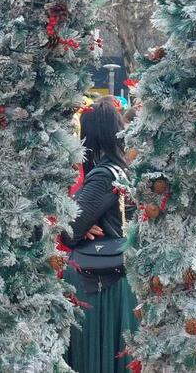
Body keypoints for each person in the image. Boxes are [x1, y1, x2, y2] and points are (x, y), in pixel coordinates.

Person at [61, 98, 137, 373]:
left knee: (93, 353)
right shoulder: (121, 170)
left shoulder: (102, 175)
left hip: (96, 281)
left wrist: (72, 225)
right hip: (114, 276)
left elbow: (70, 231)